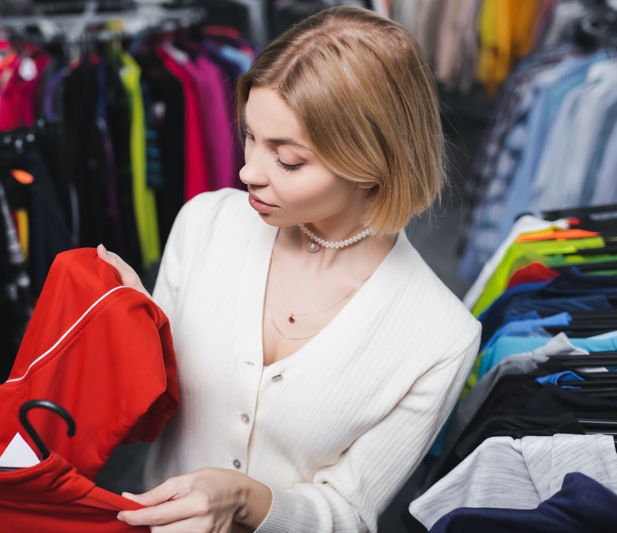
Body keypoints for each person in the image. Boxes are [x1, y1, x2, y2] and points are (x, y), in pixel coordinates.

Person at [96, 5, 482, 532]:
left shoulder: (439, 337)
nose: (247, 171)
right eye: (251, 135)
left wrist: (243, 500)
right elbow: (148, 413)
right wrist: (128, 333)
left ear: (372, 162)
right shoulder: (205, 224)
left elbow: (349, 513)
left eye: (289, 159)